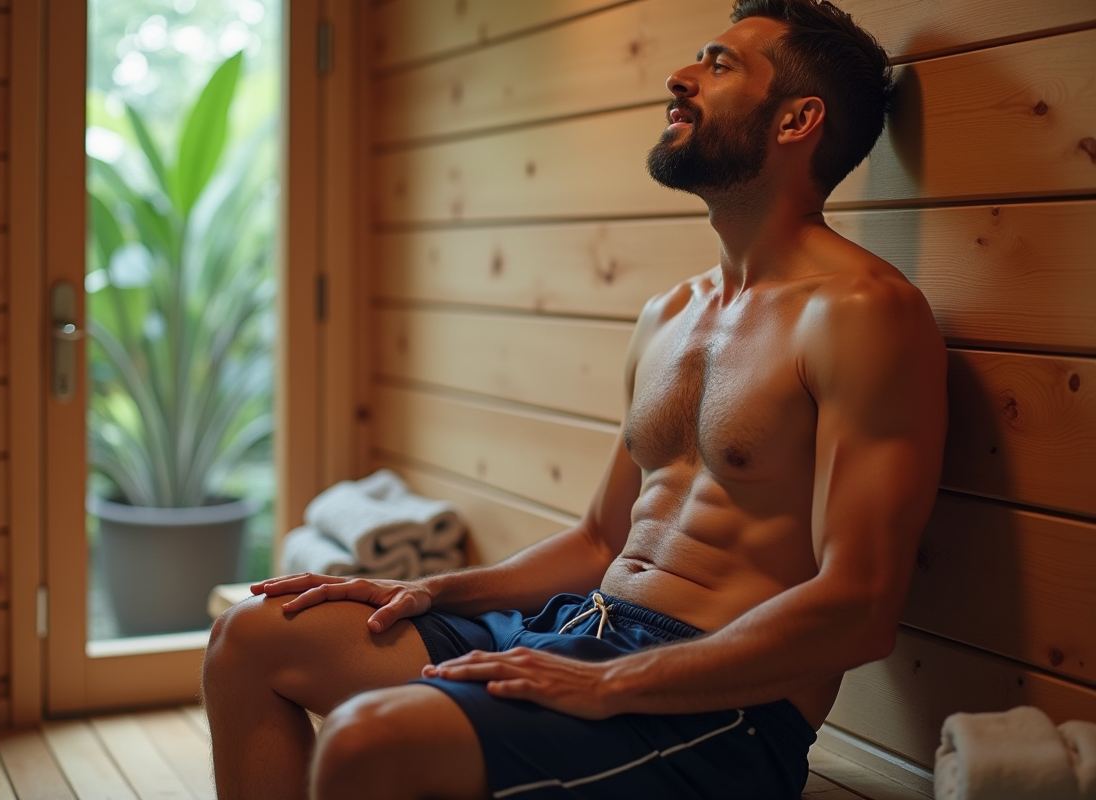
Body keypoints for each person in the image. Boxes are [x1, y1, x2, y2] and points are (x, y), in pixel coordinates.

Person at [201, 0, 947, 797]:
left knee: (365, 743)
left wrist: (612, 685)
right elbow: (600, 542)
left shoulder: (864, 314)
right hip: (579, 626)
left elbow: (859, 606)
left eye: (720, 65)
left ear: (798, 120)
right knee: (250, 636)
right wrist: (426, 590)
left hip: (721, 705)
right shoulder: (671, 313)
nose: (680, 77)